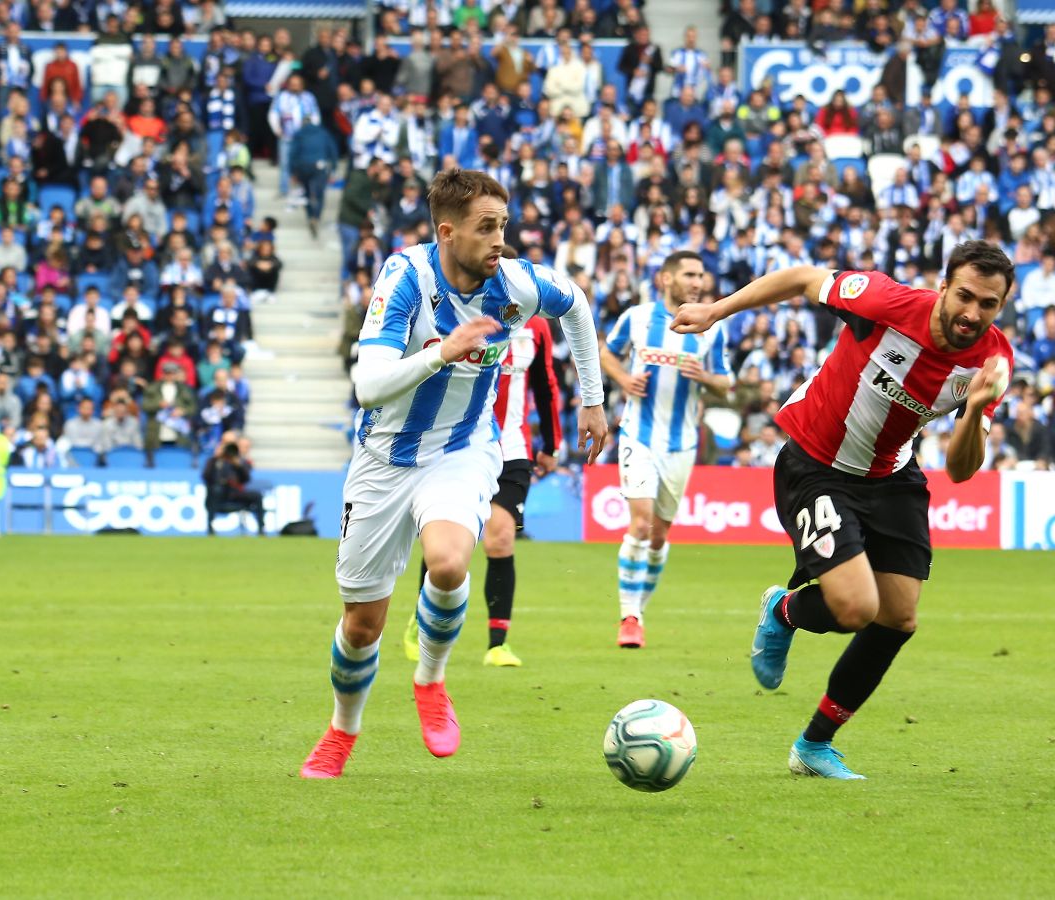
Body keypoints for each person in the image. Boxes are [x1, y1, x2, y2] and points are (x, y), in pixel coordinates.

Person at [299, 169, 610, 780]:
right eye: (485, 228)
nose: (499, 240)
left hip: (462, 450)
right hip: (383, 460)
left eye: (503, 225)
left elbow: (575, 306)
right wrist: (443, 350)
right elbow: (368, 386)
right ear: (447, 232)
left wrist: (593, 400)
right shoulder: (406, 278)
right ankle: (341, 730)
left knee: (446, 562)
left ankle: (431, 679)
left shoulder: (516, 284)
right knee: (361, 625)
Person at [671, 241, 1016, 780]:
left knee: (898, 617)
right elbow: (802, 277)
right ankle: (783, 611)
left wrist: (973, 410)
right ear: (944, 287)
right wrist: (717, 310)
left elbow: (962, 468)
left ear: (1002, 307)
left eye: (988, 304)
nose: (972, 313)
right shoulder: (883, 301)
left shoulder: (993, 363)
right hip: (816, 464)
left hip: (891, 476)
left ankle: (814, 745)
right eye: (965, 296)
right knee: (856, 608)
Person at [404, 311, 564, 669]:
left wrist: (551, 445)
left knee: (501, 538)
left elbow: (545, 385)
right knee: (447, 539)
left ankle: (498, 644)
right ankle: (422, 618)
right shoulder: (463, 315)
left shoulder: (537, 327)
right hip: (460, 448)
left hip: (512, 449)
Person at [596, 250, 734, 648]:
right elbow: (607, 353)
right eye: (689, 274)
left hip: (681, 445)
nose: (697, 282)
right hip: (638, 436)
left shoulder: (711, 328)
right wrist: (624, 379)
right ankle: (629, 617)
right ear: (666, 279)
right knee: (640, 525)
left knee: (658, 537)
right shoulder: (637, 318)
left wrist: (703, 376)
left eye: (700, 275)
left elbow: (726, 383)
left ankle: (639, 610)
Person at [202, 436, 265, 535]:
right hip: (220, 493)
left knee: (257, 495)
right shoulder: (215, 461)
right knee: (215, 490)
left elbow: (246, 479)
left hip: (235, 493)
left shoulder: (241, 461)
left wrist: (238, 465)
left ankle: (261, 528)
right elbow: (206, 477)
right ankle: (210, 528)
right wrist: (216, 458)